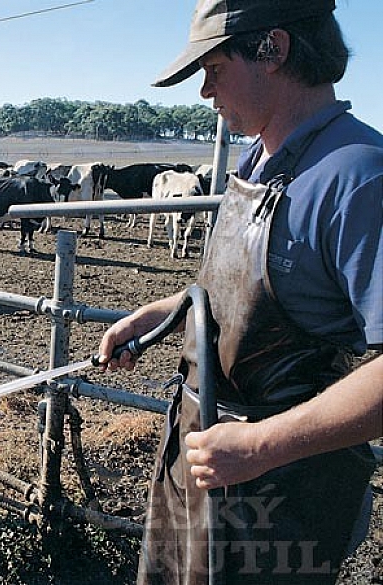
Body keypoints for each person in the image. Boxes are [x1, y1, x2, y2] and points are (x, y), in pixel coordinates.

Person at [97, 0, 383, 583]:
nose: (205, 90)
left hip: (280, 499)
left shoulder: (358, 178)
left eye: (214, 68)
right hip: (200, 465)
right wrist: (153, 318)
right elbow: (226, 290)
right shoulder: (259, 158)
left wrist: (262, 447)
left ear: (272, 50)